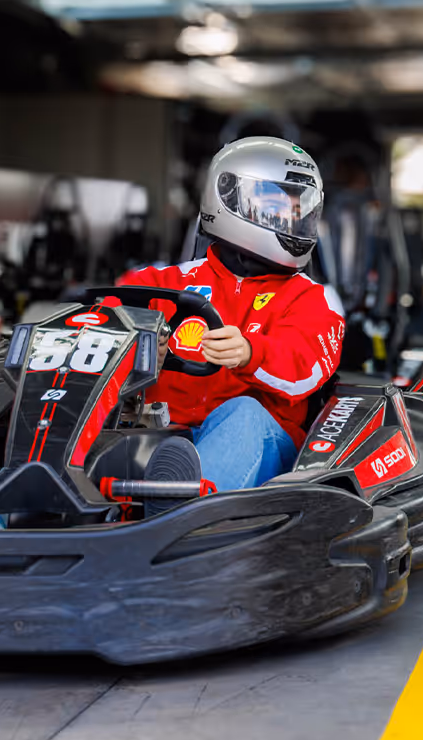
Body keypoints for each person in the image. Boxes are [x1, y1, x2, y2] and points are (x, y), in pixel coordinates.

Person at [119, 136, 344, 491]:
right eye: (277, 203)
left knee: (244, 411)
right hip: (159, 436)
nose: (293, 217)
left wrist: (251, 353)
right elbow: (98, 324)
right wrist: (137, 351)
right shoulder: (159, 283)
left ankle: (185, 507)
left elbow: (306, 369)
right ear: (229, 196)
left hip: (260, 446)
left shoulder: (312, 299)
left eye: (299, 207)